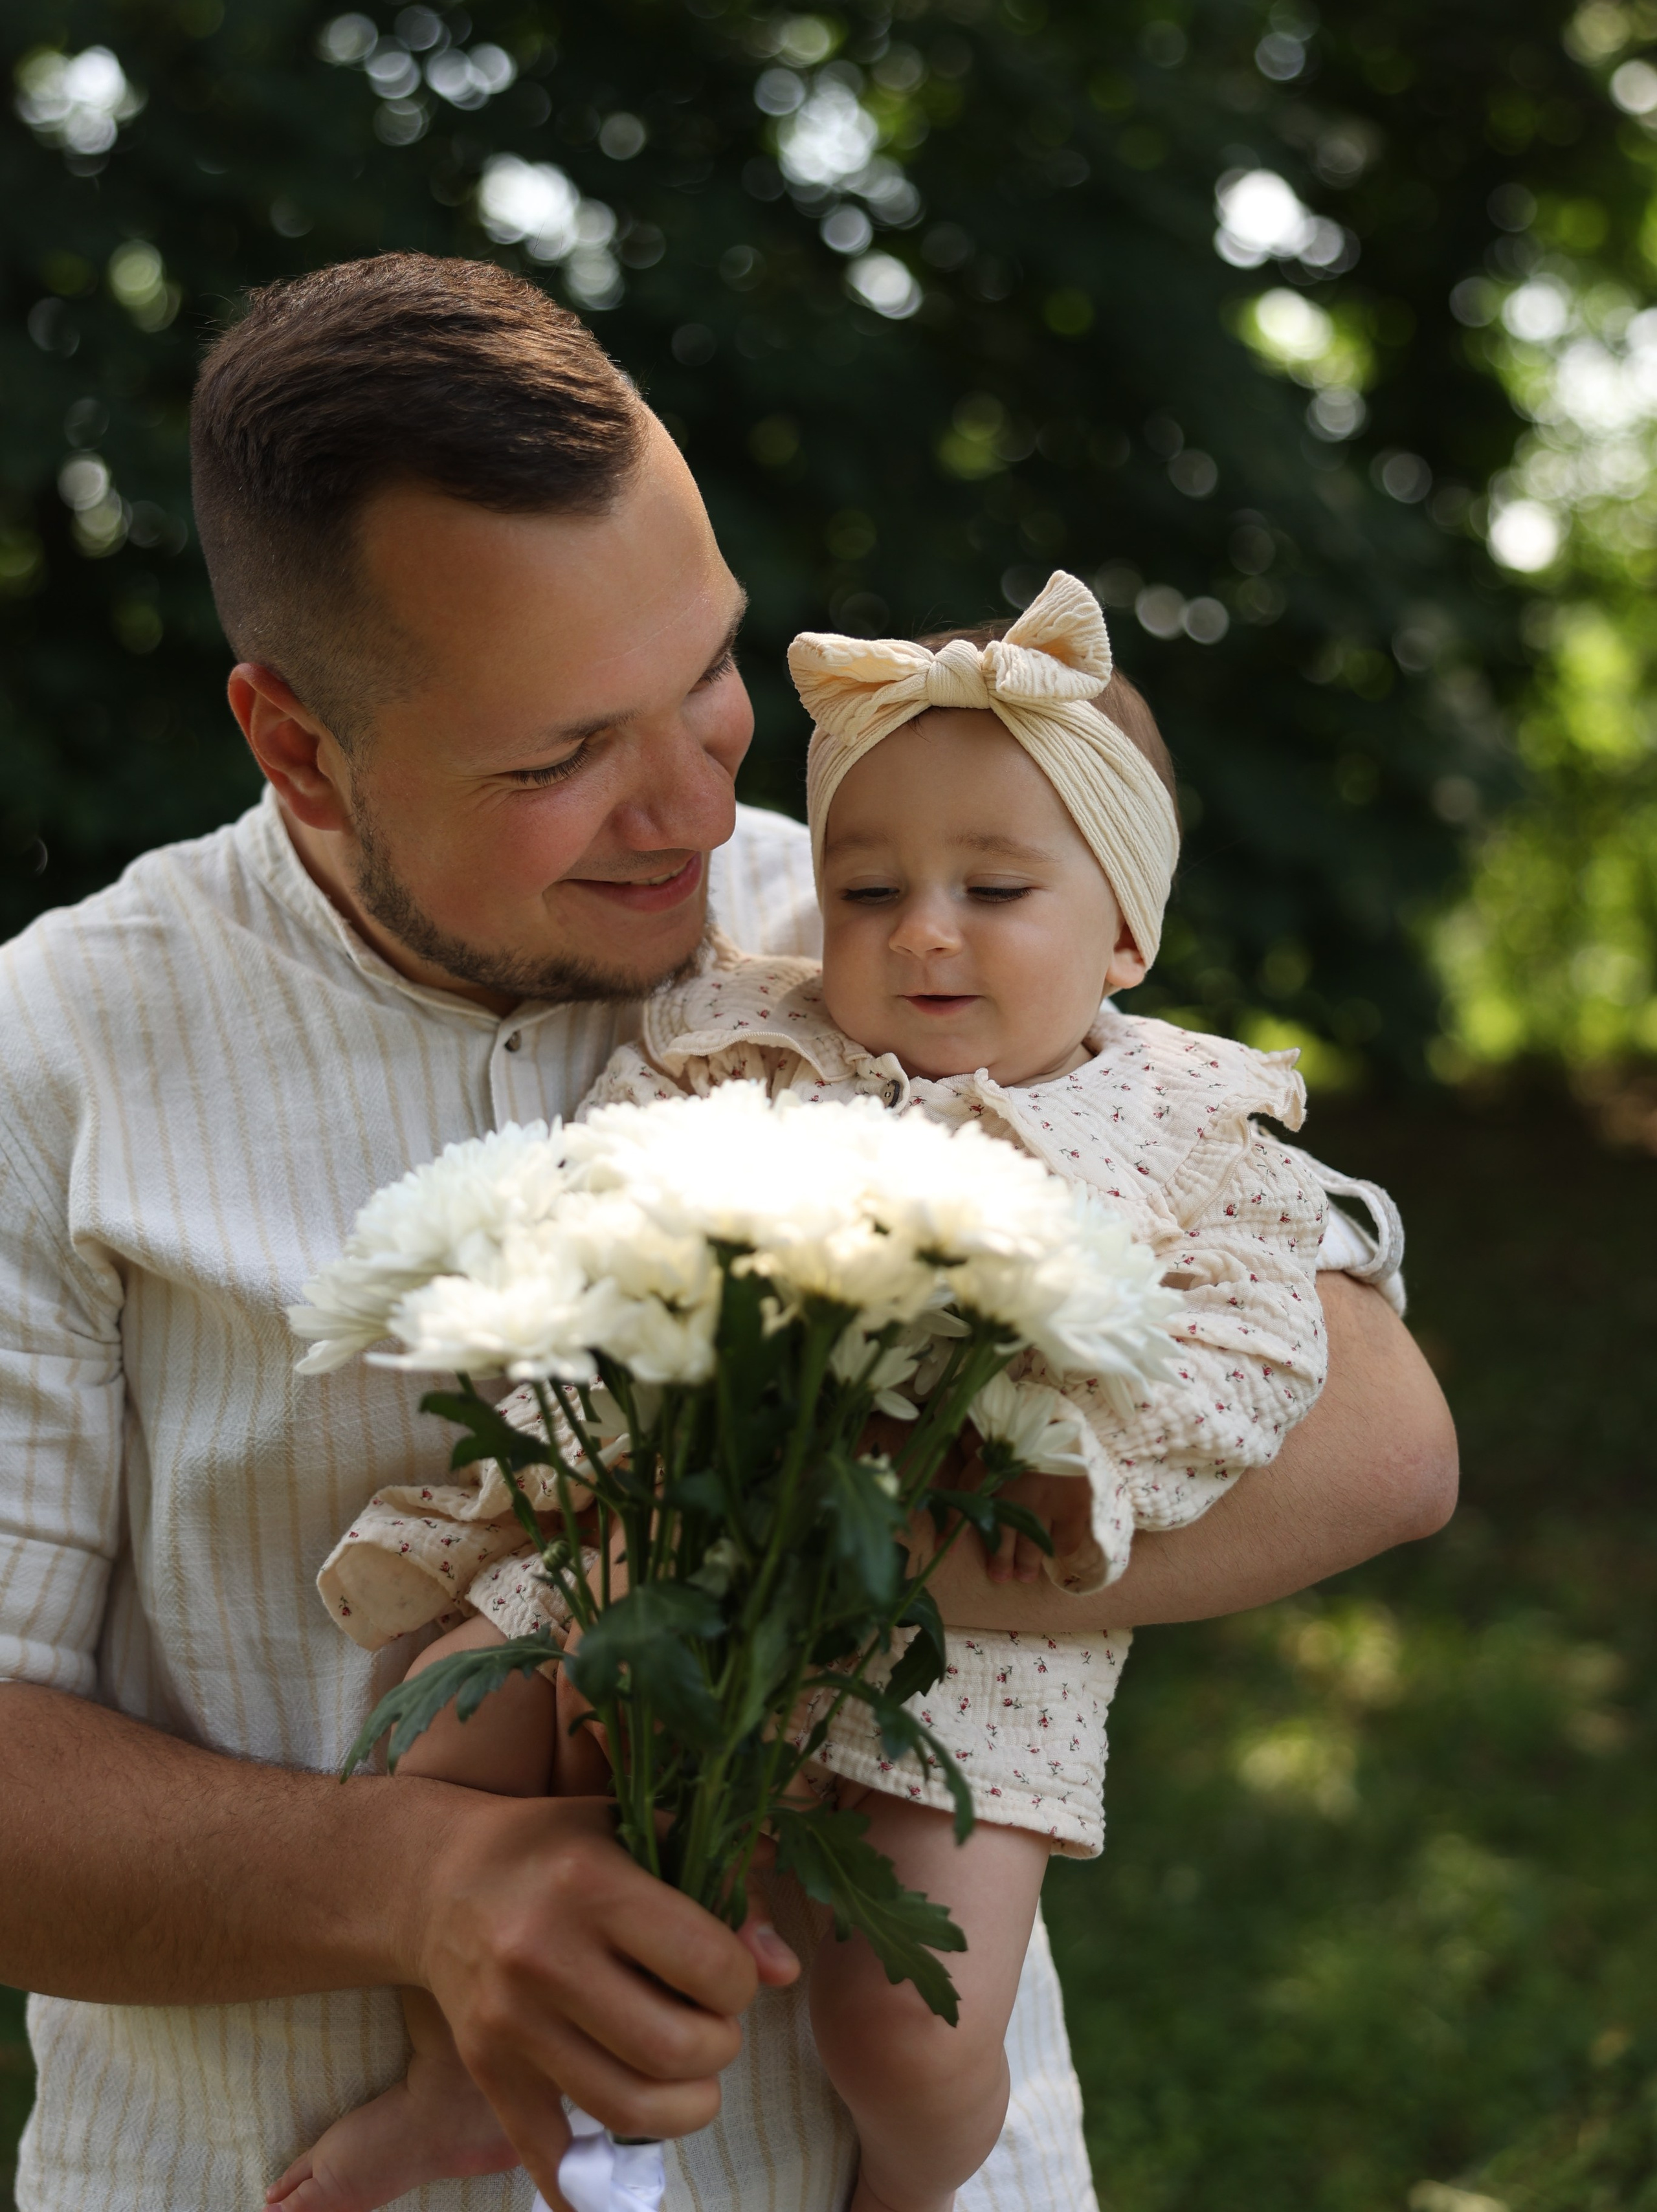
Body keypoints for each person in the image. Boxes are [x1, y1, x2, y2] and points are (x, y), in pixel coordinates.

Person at [0, 255, 1456, 2212]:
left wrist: (787, 1550)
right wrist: (424, 1883)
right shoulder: (52, 1057)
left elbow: (1375, 1425)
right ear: (299, 745)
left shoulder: (869, 910)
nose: (692, 806)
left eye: (706, 675)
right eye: (555, 757)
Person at [297, 571, 1399, 2212]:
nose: (921, 930)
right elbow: (604, 1181)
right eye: (866, 888)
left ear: (1121, 933)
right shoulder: (747, 1038)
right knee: (448, 1739)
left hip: (959, 1646)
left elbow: (1255, 1347)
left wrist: (1079, 1463)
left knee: (914, 2013)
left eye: (995, 888)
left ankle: (905, 2187)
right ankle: (455, 2081)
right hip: (661, 1536)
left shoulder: (1183, 1131)